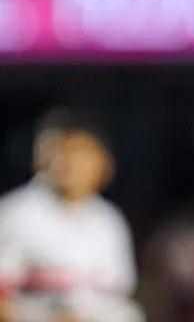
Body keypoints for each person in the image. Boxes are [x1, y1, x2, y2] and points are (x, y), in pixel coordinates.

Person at [0, 107, 144, 322]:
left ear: (103, 162)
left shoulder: (109, 219)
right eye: (62, 152)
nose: (70, 164)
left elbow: (119, 292)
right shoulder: (14, 214)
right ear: (40, 157)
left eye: (81, 153)